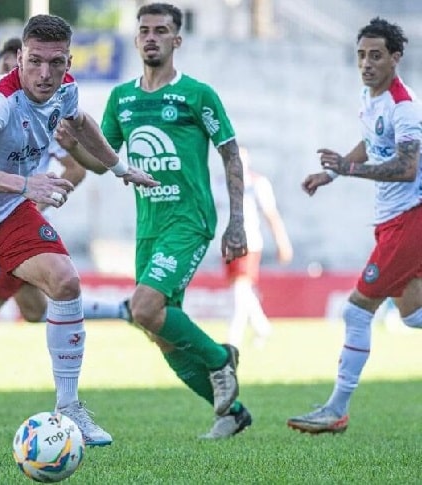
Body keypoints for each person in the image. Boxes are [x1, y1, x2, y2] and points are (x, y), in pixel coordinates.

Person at [0, 14, 158, 462]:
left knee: (65, 280)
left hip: (8, 214)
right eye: (35, 62)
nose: (45, 74)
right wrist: (27, 185)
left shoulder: (65, 89)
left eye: (56, 62)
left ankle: (68, 404)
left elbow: (81, 123)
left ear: (68, 61)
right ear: (20, 58)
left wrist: (120, 168)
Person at [98, 3, 251, 440]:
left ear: (176, 40)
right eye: (144, 30)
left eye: (161, 31)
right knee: (159, 329)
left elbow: (230, 152)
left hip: (189, 219)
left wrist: (236, 221)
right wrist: (66, 157)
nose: (151, 37)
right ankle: (232, 412)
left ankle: (221, 359)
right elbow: (101, 157)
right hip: (149, 225)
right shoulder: (121, 99)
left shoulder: (197, 94)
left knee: (142, 308)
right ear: (136, 37)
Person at [289, 17, 422, 434]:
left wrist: (347, 170)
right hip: (390, 221)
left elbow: (406, 167)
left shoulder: (404, 107)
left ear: (395, 58)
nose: (366, 63)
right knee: (412, 314)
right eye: (361, 55)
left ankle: (336, 409)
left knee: (356, 308)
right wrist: (332, 174)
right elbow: (370, 141)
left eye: (376, 55)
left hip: (410, 218)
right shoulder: (370, 97)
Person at [221, 147, 292, 349]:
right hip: (227, 243)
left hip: (248, 242)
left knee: (240, 288)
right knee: (241, 289)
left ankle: (233, 338)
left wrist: (282, 241)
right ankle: (262, 328)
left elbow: (271, 214)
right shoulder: (219, 184)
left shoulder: (257, 183)